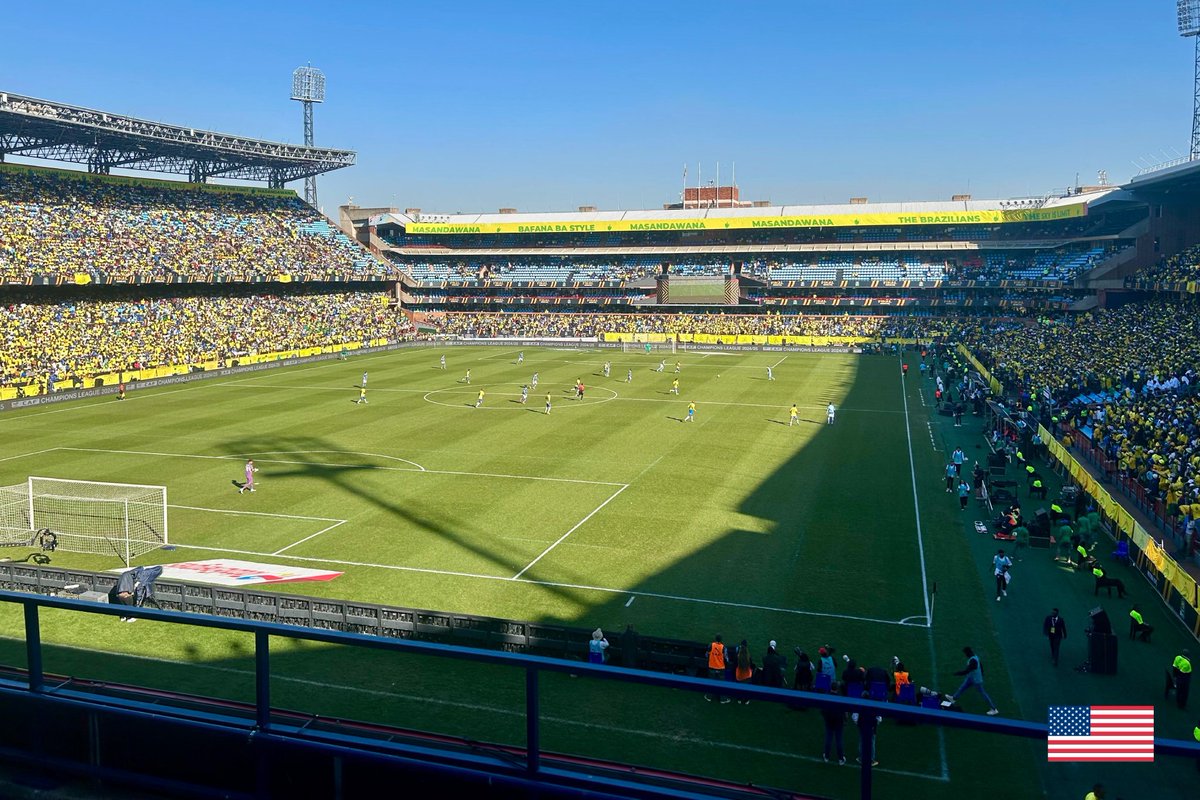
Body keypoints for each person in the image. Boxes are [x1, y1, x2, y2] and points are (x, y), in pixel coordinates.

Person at [950, 647, 999, 715]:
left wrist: (957, 673)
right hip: (972, 677)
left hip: (976, 680)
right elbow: (980, 664)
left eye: (966, 653)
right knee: (962, 687)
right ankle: (954, 698)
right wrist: (982, 672)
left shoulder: (973, 661)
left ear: (968, 653)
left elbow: (966, 671)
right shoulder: (975, 656)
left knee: (983, 694)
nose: (965, 655)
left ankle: (994, 709)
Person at [821, 683, 847, 764]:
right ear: (837, 689)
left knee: (829, 737)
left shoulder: (827, 697)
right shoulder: (840, 698)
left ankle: (826, 756)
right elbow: (845, 711)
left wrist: (825, 716)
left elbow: (822, 709)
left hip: (829, 719)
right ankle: (840, 758)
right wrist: (845, 720)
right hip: (839, 720)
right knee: (839, 739)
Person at [705, 634, 730, 703]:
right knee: (721, 683)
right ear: (721, 640)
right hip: (720, 668)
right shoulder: (723, 647)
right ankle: (722, 699)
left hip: (712, 667)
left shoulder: (711, 645)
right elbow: (726, 658)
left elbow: (706, 655)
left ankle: (709, 697)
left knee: (710, 682)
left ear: (715, 639)